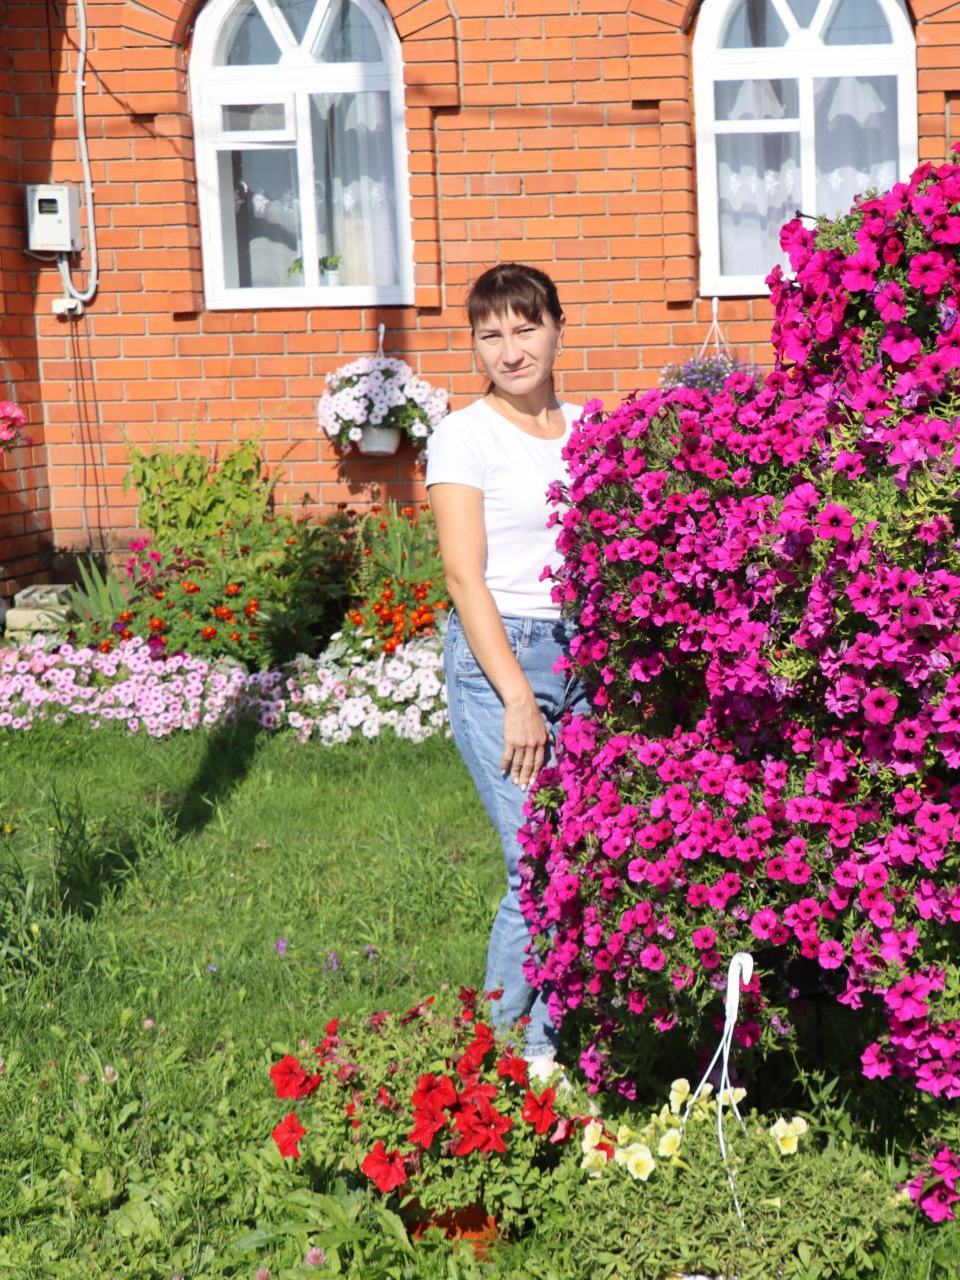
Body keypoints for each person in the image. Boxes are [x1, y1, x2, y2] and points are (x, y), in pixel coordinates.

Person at [425, 262, 583, 1079]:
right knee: (538, 860)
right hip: (504, 658)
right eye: (491, 334)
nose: (510, 349)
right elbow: (463, 576)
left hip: (588, 654)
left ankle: (549, 1044)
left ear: (559, 327)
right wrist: (519, 698)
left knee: (584, 850)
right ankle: (497, 1057)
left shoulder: (591, 428)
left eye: (525, 327)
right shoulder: (464, 435)